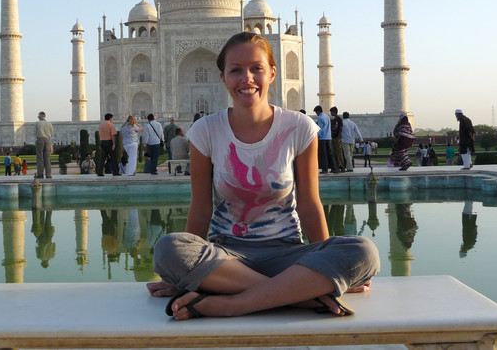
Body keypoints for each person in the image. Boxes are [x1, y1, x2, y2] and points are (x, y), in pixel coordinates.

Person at [149, 32, 379, 321]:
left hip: (287, 255)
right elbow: (200, 207)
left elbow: (309, 204)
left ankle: (229, 304)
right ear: (223, 77)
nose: (247, 78)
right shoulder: (206, 131)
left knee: (363, 251)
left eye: (256, 68)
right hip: (226, 257)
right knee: (168, 249)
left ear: (272, 73)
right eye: (236, 70)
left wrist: (324, 256)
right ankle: (304, 297)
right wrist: (328, 282)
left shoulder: (299, 127)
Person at [313, 105, 338, 174]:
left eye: (316, 112)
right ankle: (334, 168)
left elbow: (320, 128)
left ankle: (325, 169)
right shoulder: (327, 117)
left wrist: (317, 135)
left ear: (318, 111)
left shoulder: (320, 118)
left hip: (322, 138)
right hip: (328, 137)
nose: (316, 114)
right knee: (330, 153)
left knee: (323, 154)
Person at [35, 111, 54, 178]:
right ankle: (48, 175)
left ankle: (40, 174)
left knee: (40, 157)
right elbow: (52, 133)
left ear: (40, 117)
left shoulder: (37, 123)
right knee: (47, 157)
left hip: (40, 139)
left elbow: (34, 132)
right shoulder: (49, 124)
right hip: (47, 140)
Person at [329, 107, 345, 171]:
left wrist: (339, 134)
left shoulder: (339, 119)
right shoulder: (333, 120)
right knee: (334, 152)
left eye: (331, 112)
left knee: (339, 152)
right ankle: (336, 166)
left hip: (337, 137)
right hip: (333, 137)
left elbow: (341, 127)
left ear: (334, 112)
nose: (331, 113)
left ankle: (342, 166)